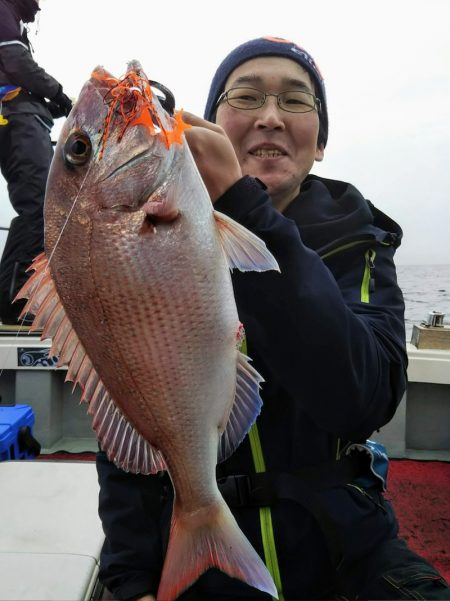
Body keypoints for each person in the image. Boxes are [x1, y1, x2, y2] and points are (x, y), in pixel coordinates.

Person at [96, 37, 450, 600]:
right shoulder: (154, 233)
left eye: (295, 101)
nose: (269, 118)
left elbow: (362, 398)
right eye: (245, 96)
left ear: (321, 141)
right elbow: (128, 399)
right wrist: (130, 578)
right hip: (199, 565)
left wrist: (243, 205)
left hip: (347, 554)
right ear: (208, 124)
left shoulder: (359, 236)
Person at [0, 0, 72, 325]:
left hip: (23, 117)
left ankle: (17, 296)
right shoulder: (3, 7)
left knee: (38, 206)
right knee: (40, 207)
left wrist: (47, 106)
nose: (39, 7)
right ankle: (15, 302)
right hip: (17, 118)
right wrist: (58, 94)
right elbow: (15, 61)